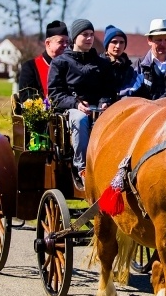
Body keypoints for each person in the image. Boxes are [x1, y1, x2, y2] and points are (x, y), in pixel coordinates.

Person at [48, 19, 115, 183]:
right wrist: (76, 104)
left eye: (91, 35)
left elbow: (109, 90)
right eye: (85, 34)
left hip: (99, 109)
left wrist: (104, 102)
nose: (89, 38)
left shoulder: (103, 64)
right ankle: (83, 169)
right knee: (80, 119)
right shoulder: (61, 62)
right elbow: (55, 93)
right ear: (74, 37)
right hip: (71, 110)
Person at [18, 20, 69, 102]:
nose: (65, 45)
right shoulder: (30, 67)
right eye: (61, 42)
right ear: (48, 43)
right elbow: (26, 98)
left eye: (67, 42)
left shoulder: (70, 66)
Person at [101, 24, 136, 100]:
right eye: (114, 42)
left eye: (121, 42)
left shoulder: (129, 69)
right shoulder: (98, 66)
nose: (118, 46)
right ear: (107, 44)